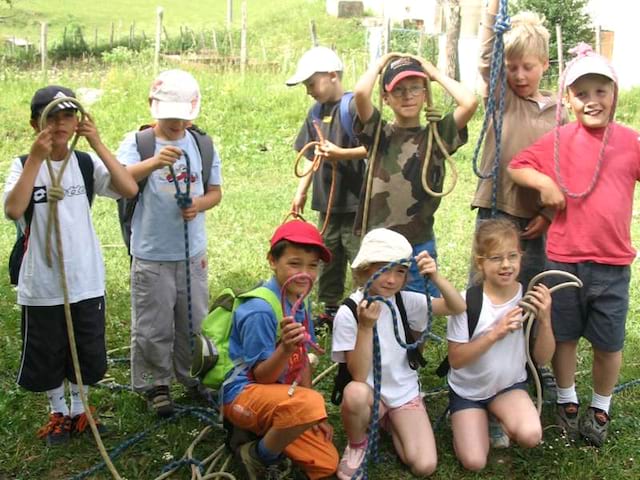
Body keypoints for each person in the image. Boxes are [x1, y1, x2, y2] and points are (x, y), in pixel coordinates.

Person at [509, 45, 637, 447]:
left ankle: (600, 407)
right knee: (563, 336)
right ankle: (566, 399)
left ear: (614, 95)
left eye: (601, 91)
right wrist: (545, 184)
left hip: (613, 263)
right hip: (563, 260)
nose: (592, 100)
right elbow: (517, 166)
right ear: (567, 98)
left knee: (608, 342)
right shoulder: (558, 140)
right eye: (582, 93)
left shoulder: (631, 141)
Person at [3, 85, 138, 445]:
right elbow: (13, 210)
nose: (61, 124)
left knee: (86, 345)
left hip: (85, 277)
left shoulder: (84, 163)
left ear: (78, 120)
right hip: (43, 279)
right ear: (36, 124)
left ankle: (80, 409)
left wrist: (97, 143)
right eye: (52, 117)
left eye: (68, 115)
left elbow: (128, 188)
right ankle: (58, 410)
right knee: (47, 350)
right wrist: (34, 159)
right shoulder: (22, 164)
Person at [117, 69, 223, 417]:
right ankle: (155, 384)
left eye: (183, 117)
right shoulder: (138, 143)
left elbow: (215, 192)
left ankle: (193, 376)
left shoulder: (202, 144)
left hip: (192, 254)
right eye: (170, 117)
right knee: (153, 322)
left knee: (194, 321)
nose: (177, 123)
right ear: (153, 108)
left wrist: (198, 206)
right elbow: (118, 181)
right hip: (151, 253)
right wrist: (152, 162)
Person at [332, 228, 466, 478]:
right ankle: (357, 445)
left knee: (423, 465)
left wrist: (435, 276)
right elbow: (359, 376)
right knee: (355, 393)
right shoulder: (349, 312)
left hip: (403, 393)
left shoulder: (404, 301)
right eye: (383, 269)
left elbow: (457, 307)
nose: (391, 279)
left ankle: (393, 422)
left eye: (400, 271)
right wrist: (365, 327)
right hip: (370, 394)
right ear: (364, 269)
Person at [222, 220, 339, 480]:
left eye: (312, 266)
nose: (305, 273)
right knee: (310, 404)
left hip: (282, 394)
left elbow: (303, 362)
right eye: (294, 264)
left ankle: (264, 432)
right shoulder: (259, 310)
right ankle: (258, 454)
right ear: (272, 261)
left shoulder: (300, 299)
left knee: (327, 464)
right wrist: (286, 349)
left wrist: (313, 416)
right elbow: (261, 376)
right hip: (243, 394)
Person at [353, 53, 477, 294]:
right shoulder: (379, 134)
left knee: (419, 309)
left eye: (415, 88)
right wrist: (379, 65)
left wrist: (435, 74)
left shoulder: (436, 136)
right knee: (378, 305)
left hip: (418, 242)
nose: (407, 95)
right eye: (398, 90)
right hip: (380, 243)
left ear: (425, 93)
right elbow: (360, 94)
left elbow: (470, 103)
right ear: (385, 98)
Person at [447, 218, 554, 471]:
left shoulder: (528, 296)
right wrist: (495, 333)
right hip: (469, 391)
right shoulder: (468, 302)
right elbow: (456, 359)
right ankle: (466, 423)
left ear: (520, 257)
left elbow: (541, 358)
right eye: (496, 258)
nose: (506, 265)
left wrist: (546, 320)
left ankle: (497, 415)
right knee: (474, 462)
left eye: (512, 256)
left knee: (530, 435)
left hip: (508, 386)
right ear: (480, 262)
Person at [472, 3, 564, 290]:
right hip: (497, 206)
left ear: (545, 64)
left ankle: (527, 335)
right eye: (512, 68)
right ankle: (476, 333)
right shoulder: (503, 98)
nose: (520, 76)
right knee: (485, 283)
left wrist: (548, 214)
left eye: (528, 67)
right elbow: (487, 60)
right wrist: (492, 12)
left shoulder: (559, 111)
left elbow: (565, 166)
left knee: (530, 282)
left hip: (534, 217)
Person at [287, 46, 368, 325]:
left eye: (311, 83)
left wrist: (341, 154)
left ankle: (364, 305)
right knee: (328, 256)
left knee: (360, 257)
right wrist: (301, 191)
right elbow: (310, 156)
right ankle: (331, 310)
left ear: (333, 75)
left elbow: (376, 148)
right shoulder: (314, 113)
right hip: (327, 205)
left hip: (357, 203)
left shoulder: (356, 107)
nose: (309, 90)